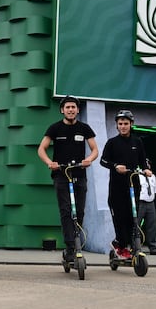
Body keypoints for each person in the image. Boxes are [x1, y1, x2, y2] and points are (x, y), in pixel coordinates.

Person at [37, 95, 98, 263]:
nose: (70, 110)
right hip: (61, 175)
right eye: (67, 107)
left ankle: (78, 244)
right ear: (62, 110)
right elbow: (41, 149)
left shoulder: (84, 128)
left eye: (73, 107)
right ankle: (70, 248)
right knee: (66, 211)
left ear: (78, 110)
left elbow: (94, 149)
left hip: (79, 174)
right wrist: (50, 162)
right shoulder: (54, 128)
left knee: (79, 211)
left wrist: (89, 160)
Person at [100, 110, 156, 258]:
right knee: (119, 218)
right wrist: (115, 166)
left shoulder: (137, 142)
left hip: (133, 185)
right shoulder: (112, 142)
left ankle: (133, 246)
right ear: (117, 126)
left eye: (126, 123)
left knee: (133, 218)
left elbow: (143, 159)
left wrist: (146, 168)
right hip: (117, 188)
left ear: (131, 124)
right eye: (120, 124)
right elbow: (103, 161)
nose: (123, 126)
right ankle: (120, 243)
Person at [137, 170, 156, 256]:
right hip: (140, 202)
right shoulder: (137, 175)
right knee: (136, 225)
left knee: (152, 225)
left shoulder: (153, 176)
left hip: (150, 202)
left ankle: (153, 248)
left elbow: (154, 191)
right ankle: (136, 247)